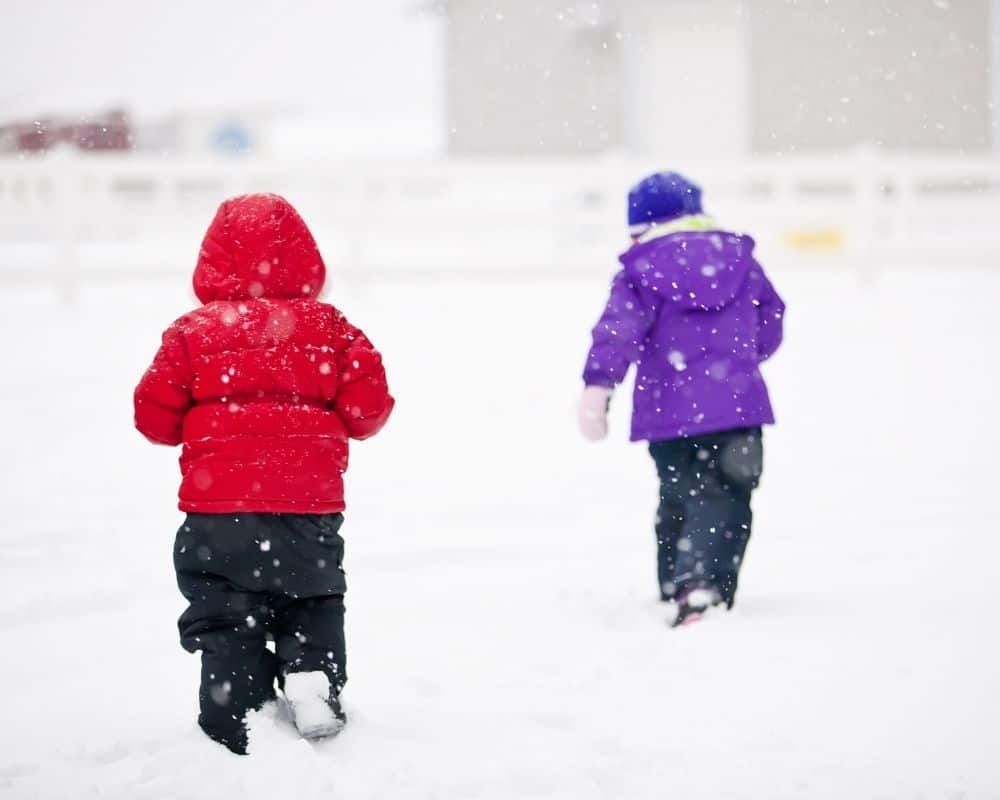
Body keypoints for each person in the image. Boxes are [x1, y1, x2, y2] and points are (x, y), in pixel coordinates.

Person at [134, 193, 393, 752]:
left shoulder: (191, 333)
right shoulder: (332, 328)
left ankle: (234, 710)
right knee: (311, 596)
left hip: (218, 510)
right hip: (308, 505)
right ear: (307, 259)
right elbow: (369, 410)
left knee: (225, 606)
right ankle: (311, 679)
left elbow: (153, 418)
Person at [578, 172, 784, 626]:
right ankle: (702, 585)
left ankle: (677, 581)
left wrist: (599, 386)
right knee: (725, 496)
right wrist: (741, 358)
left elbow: (617, 332)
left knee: (680, 492)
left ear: (644, 226)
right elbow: (770, 322)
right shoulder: (741, 262)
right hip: (737, 407)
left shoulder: (639, 271)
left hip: (668, 414)